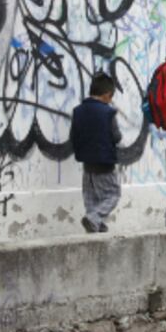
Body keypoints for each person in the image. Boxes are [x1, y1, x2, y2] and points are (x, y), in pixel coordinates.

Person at [69, 72, 122, 233]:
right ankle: (94, 219)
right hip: (104, 162)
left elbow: (73, 136)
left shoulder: (78, 111)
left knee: (90, 198)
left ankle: (95, 226)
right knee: (113, 194)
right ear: (106, 95)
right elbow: (116, 136)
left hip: (86, 162)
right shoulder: (108, 113)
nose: (111, 100)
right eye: (111, 96)